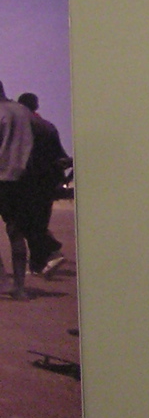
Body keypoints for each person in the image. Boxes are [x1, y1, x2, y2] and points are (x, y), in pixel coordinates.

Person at [16, 93, 72, 276]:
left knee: (23, 223)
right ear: (36, 106)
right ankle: (39, 263)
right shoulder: (47, 126)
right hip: (47, 184)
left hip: (26, 182)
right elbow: (61, 157)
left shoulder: (20, 126)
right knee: (38, 223)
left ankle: (51, 252)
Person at [0, 81, 35, 299]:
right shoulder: (23, 112)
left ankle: (3, 281)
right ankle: (19, 287)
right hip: (20, 179)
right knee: (16, 232)